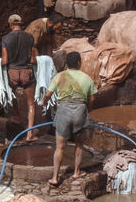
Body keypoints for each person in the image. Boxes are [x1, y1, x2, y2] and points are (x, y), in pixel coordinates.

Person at [42, 51, 97, 185]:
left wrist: (44, 102)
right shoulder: (87, 78)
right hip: (80, 112)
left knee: (60, 147)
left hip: (63, 113)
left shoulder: (59, 76)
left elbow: (48, 94)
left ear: (67, 63)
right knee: (79, 145)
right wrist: (87, 110)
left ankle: (55, 177)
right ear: (79, 63)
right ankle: (76, 172)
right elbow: (93, 97)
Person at [2, 14, 39, 142]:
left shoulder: (6, 39)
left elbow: (5, 60)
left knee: (12, 97)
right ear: (21, 25)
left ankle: (17, 117)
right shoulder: (29, 37)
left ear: (11, 25)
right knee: (31, 104)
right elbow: (33, 59)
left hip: (12, 73)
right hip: (26, 72)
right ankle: (30, 134)